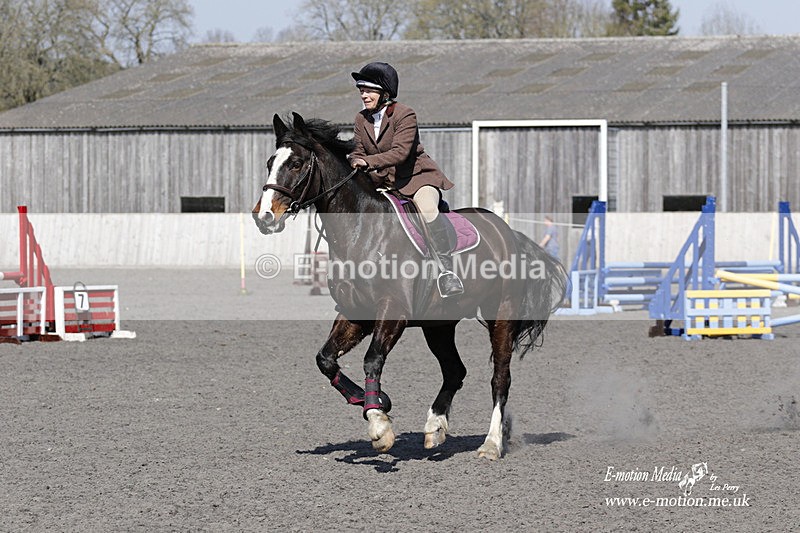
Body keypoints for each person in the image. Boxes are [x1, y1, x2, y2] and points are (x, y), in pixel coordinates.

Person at [347, 62, 463, 298]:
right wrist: (354, 161)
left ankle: (446, 271)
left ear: (385, 93)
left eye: (369, 90)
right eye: (361, 89)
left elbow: (400, 153)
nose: (363, 94)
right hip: (384, 183)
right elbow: (358, 150)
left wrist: (367, 163)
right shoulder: (361, 119)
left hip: (416, 179)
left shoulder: (405, 114)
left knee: (429, 211)